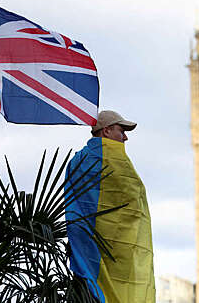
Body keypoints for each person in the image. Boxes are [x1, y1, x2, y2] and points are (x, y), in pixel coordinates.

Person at [64, 110, 155, 303]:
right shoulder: (116, 159)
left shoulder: (77, 160)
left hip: (85, 250)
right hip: (118, 253)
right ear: (106, 131)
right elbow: (134, 207)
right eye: (121, 131)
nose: (125, 137)